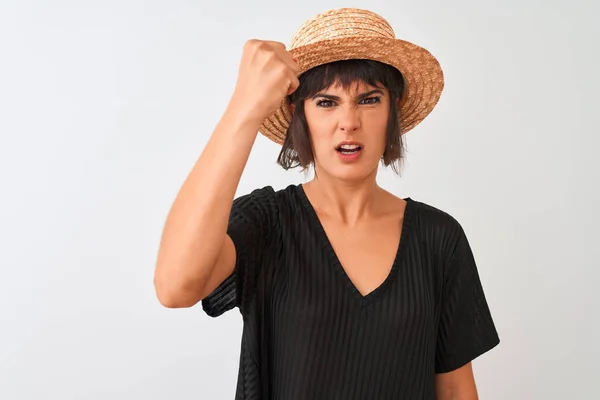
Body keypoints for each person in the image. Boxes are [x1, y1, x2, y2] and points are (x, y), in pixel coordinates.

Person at [154, 7, 500, 400]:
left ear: (393, 111)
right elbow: (175, 287)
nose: (349, 121)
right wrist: (243, 109)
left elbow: (455, 389)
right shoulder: (267, 223)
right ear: (297, 113)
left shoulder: (438, 238)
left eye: (369, 100)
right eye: (325, 102)